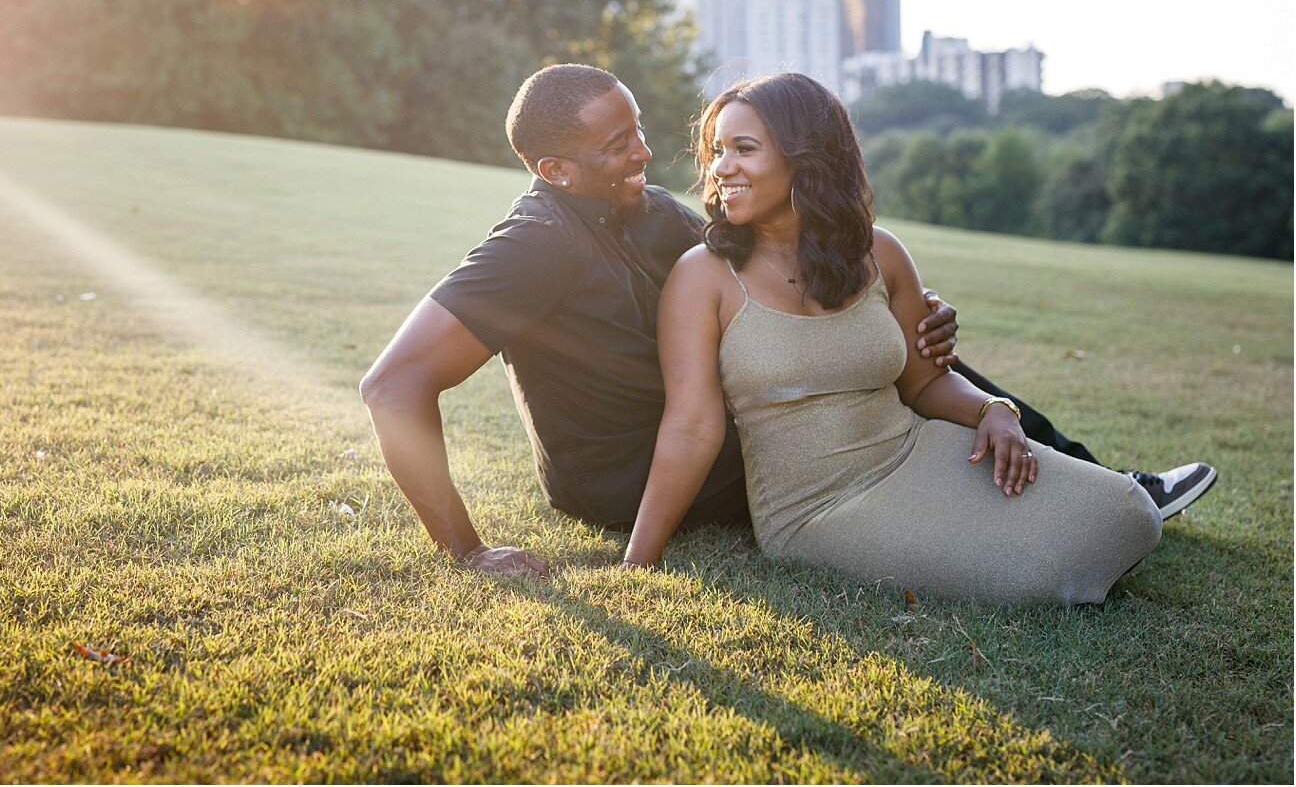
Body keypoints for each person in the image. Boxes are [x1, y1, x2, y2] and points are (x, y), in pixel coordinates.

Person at [360, 64, 1215, 578]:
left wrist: (903, 305)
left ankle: (1089, 480)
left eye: (639, 130)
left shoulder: (648, 213)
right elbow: (393, 385)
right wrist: (468, 553)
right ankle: (1108, 494)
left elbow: (789, 272)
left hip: (711, 425)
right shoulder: (532, 246)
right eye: (617, 143)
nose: (644, 152)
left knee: (892, 349)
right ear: (556, 168)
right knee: (876, 387)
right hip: (631, 475)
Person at [623, 73, 1164, 603]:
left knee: (1127, 511)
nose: (722, 168)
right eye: (718, 150)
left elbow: (926, 384)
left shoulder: (879, 253)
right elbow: (691, 429)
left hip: (917, 451)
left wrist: (993, 410)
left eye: (744, 149)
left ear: (805, 156)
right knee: (1031, 573)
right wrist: (637, 563)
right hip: (816, 509)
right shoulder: (703, 275)